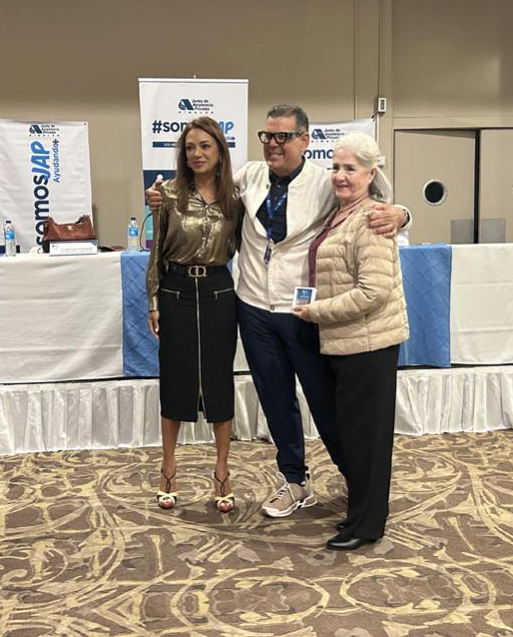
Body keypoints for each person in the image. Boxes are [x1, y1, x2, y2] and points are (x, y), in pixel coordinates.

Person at [147, 104, 410, 518]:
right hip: (253, 307)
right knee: (275, 400)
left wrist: (402, 213)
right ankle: (294, 480)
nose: (273, 144)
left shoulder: (325, 181)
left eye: (283, 137)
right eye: (267, 136)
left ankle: (357, 479)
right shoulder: (248, 176)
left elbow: (373, 196)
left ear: (304, 141)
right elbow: (203, 183)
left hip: (302, 310)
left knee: (323, 401)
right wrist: (160, 196)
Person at [292, 132, 409, 551]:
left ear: (371, 173)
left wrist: (317, 311)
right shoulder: (341, 212)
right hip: (348, 342)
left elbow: (373, 292)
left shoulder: (373, 218)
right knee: (356, 437)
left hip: (369, 345)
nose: (340, 176)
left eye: (350, 169)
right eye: (336, 167)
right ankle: (360, 515)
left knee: (368, 440)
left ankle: (367, 525)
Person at [146, 116, 243, 513]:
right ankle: (168, 469)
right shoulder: (167, 195)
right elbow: (156, 251)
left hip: (219, 291)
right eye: (190, 148)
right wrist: (153, 300)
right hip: (177, 291)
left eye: (205, 146)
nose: (197, 154)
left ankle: (222, 470)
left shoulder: (236, 196)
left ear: (220, 151)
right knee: (175, 378)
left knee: (219, 380)